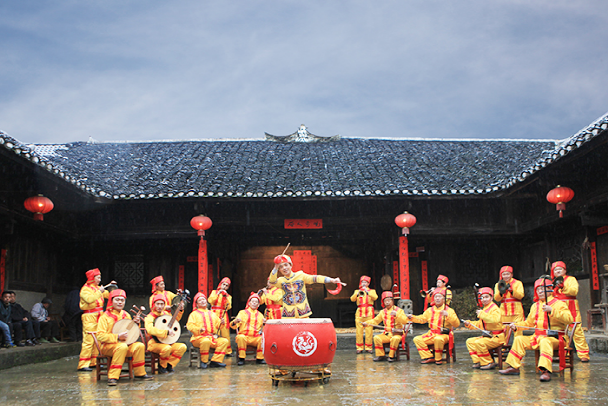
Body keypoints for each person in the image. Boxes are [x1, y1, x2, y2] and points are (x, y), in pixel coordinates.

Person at [499, 277, 574, 382]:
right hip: (537, 337)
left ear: (550, 289)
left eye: (542, 289)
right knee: (519, 339)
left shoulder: (559, 304)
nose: (540, 291)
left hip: (556, 338)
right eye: (538, 289)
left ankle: (545, 371)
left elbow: (569, 319)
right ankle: (513, 366)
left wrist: (552, 310)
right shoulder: (535, 306)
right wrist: (517, 326)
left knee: (545, 341)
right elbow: (529, 323)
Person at [96, 289, 153, 386]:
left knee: (139, 346)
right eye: (117, 300)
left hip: (125, 345)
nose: (120, 302)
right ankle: (113, 377)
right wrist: (117, 336)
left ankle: (140, 373)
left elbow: (131, 332)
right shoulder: (104, 317)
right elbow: (100, 336)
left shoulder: (126, 314)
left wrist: (136, 324)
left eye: (122, 300)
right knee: (122, 347)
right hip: (108, 347)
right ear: (111, 301)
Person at [268, 254, 343, 318]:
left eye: (286, 265)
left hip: (303, 313)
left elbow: (315, 278)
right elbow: (272, 281)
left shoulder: (300, 275)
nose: (284, 268)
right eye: (281, 267)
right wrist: (275, 267)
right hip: (288, 315)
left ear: (290, 265)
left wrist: (331, 280)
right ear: (279, 270)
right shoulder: (281, 281)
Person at [408, 289, 460, 365]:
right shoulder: (429, 310)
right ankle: (428, 357)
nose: (437, 298)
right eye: (436, 297)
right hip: (431, 334)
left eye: (439, 296)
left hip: (444, 335)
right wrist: (412, 317)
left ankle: (438, 359)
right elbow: (422, 319)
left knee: (438, 339)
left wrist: (448, 315)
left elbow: (456, 324)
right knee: (417, 339)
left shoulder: (449, 310)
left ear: (443, 299)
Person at [551, 261, 590, 362]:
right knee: (561, 331)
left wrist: (563, 287)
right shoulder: (551, 282)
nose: (558, 271)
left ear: (565, 270)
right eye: (555, 270)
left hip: (570, 305)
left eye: (560, 269)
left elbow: (574, 291)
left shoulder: (571, 279)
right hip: (558, 306)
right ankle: (564, 353)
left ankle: (583, 353)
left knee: (576, 330)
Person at [77, 268, 115, 372]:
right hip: (89, 316)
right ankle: (83, 364)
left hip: (99, 315)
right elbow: (89, 299)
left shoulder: (98, 288)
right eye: (98, 277)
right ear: (92, 278)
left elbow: (108, 295)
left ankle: (93, 362)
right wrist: (100, 292)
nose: (99, 280)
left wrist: (114, 291)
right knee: (89, 340)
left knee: (97, 339)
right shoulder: (85, 289)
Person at [462, 287, 505, 370]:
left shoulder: (495, 308)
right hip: (488, 336)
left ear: (491, 298)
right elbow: (480, 324)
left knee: (479, 342)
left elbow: (495, 320)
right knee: (470, 341)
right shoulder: (485, 309)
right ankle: (478, 361)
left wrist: (482, 314)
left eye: (486, 297)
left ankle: (488, 362)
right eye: (482, 297)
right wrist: (469, 324)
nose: (484, 299)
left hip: (497, 337)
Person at [144, 293, 187, 374]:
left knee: (182, 347)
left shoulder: (166, 314)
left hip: (167, 342)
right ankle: (162, 366)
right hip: (154, 343)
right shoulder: (149, 317)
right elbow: (150, 330)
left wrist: (180, 310)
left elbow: (174, 320)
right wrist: (165, 332)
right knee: (167, 348)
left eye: (162, 304)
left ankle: (169, 364)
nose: (160, 306)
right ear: (154, 304)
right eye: (158, 304)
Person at [362, 291, 409, 362]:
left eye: (389, 300)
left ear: (392, 301)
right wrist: (367, 323)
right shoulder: (382, 312)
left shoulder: (399, 311)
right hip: (387, 334)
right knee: (377, 337)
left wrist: (397, 315)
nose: (387, 302)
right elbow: (375, 321)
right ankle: (381, 355)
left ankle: (391, 356)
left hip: (397, 334)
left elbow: (405, 321)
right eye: (385, 301)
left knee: (395, 339)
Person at [186, 292, 228, 369]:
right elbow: (190, 326)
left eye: (204, 299)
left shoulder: (212, 313)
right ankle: (204, 361)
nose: (202, 301)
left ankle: (215, 361)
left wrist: (222, 323)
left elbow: (218, 326)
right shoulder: (193, 314)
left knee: (224, 341)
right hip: (198, 338)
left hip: (211, 338)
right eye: (200, 300)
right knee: (205, 341)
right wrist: (199, 329)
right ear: (197, 304)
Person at [230, 292, 266, 365]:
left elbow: (263, 329)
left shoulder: (260, 315)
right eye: (252, 301)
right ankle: (241, 358)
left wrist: (264, 323)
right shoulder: (242, 313)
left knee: (262, 338)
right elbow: (233, 325)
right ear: (249, 303)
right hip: (244, 336)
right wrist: (235, 321)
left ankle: (260, 358)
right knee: (240, 337)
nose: (254, 303)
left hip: (255, 338)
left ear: (258, 305)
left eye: (256, 302)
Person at [494, 266, 525, 337]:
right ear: (501, 275)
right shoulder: (498, 285)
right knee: (504, 329)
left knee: (518, 328)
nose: (506, 276)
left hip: (516, 310)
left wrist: (512, 291)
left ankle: (518, 343)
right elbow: (496, 298)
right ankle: (505, 343)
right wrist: (501, 292)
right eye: (504, 274)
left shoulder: (518, 283)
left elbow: (521, 295)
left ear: (511, 274)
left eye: (508, 274)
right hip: (504, 310)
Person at [350, 275, 378, 353]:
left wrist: (367, 292)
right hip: (360, 311)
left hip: (369, 311)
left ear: (368, 284)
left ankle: (369, 347)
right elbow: (352, 299)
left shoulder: (372, 291)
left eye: (365, 282)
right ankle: (359, 347)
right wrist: (357, 293)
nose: (364, 283)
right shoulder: (357, 291)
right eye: (362, 282)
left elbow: (375, 297)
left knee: (369, 330)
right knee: (359, 331)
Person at [208, 277, 233, 356]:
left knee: (225, 332)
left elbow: (228, 307)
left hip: (223, 314)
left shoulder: (228, 296)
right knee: (215, 330)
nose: (224, 287)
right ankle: (215, 349)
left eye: (226, 285)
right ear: (220, 284)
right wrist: (218, 293)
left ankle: (228, 351)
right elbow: (210, 301)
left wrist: (225, 297)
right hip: (214, 313)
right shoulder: (214, 292)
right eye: (223, 284)